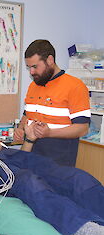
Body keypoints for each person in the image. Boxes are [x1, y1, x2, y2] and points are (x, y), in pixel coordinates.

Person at [14, 39, 90, 167]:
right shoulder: (34, 85)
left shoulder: (75, 86)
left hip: (58, 159)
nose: (31, 72)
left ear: (50, 60)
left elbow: (82, 128)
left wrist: (50, 133)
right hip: (31, 156)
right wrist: (20, 129)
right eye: (29, 67)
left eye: (35, 67)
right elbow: (27, 114)